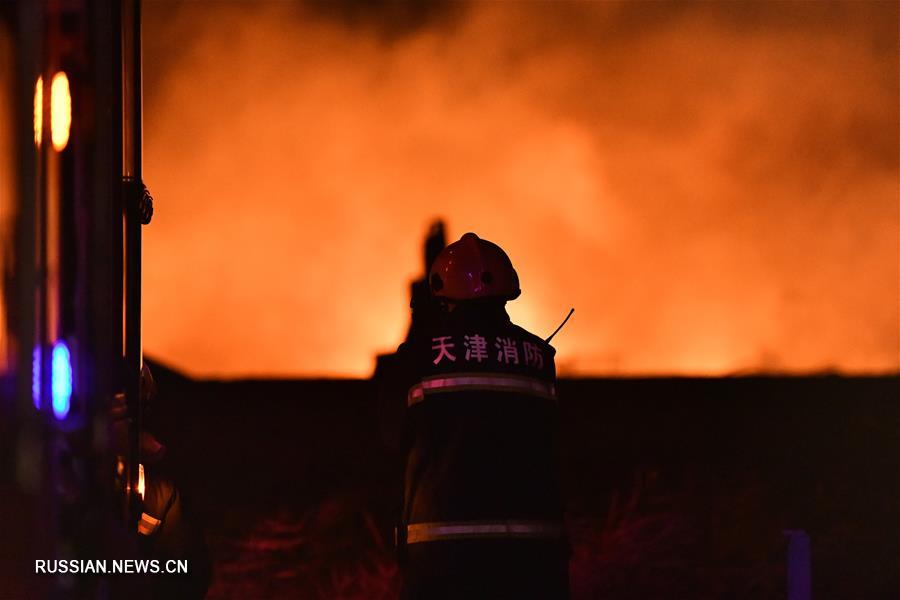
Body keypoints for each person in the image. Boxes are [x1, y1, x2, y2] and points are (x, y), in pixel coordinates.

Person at [386, 232, 569, 599]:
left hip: (442, 561)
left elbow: (391, 440)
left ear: (439, 294)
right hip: (534, 557)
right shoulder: (539, 358)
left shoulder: (417, 358)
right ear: (507, 291)